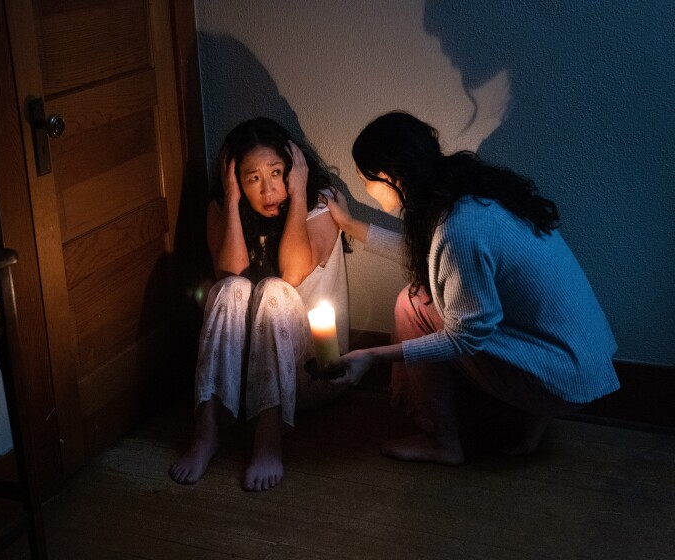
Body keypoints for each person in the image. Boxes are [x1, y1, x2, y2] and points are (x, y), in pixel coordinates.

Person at [326, 111, 620, 465]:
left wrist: (370, 355)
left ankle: (440, 439)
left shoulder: (459, 227)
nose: (367, 190)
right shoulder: (470, 197)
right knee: (434, 296)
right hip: (581, 360)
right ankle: (530, 425)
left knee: (413, 303)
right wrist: (350, 225)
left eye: (365, 179)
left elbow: (466, 337)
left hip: (561, 377)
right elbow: (434, 256)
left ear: (388, 177)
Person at [169, 117, 350, 490]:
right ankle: (206, 433)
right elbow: (229, 272)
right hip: (242, 381)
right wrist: (232, 202)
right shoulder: (224, 206)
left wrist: (298, 195)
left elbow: (294, 272)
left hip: (312, 372)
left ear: (295, 169)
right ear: (236, 179)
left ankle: (268, 440)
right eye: (253, 178)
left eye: (278, 173)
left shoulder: (323, 204)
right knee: (229, 288)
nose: (270, 190)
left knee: (275, 291)